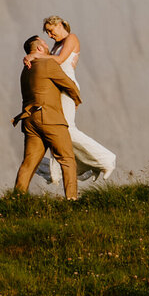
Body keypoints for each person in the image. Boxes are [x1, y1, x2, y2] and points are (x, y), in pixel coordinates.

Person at [36, 14, 117, 189]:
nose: (50, 35)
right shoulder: (57, 44)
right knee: (57, 132)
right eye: (48, 33)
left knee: (67, 130)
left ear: (58, 25)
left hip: (68, 87)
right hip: (57, 89)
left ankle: (106, 159)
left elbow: (58, 60)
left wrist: (35, 56)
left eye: (50, 31)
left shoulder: (71, 38)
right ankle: (70, 169)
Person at [13, 35, 82, 200]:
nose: (47, 46)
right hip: (50, 118)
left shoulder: (26, 69)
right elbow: (68, 84)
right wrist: (76, 100)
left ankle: (17, 199)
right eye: (44, 44)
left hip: (29, 120)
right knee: (67, 159)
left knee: (28, 163)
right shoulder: (47, 63)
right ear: (38, 49)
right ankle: (71, 199)